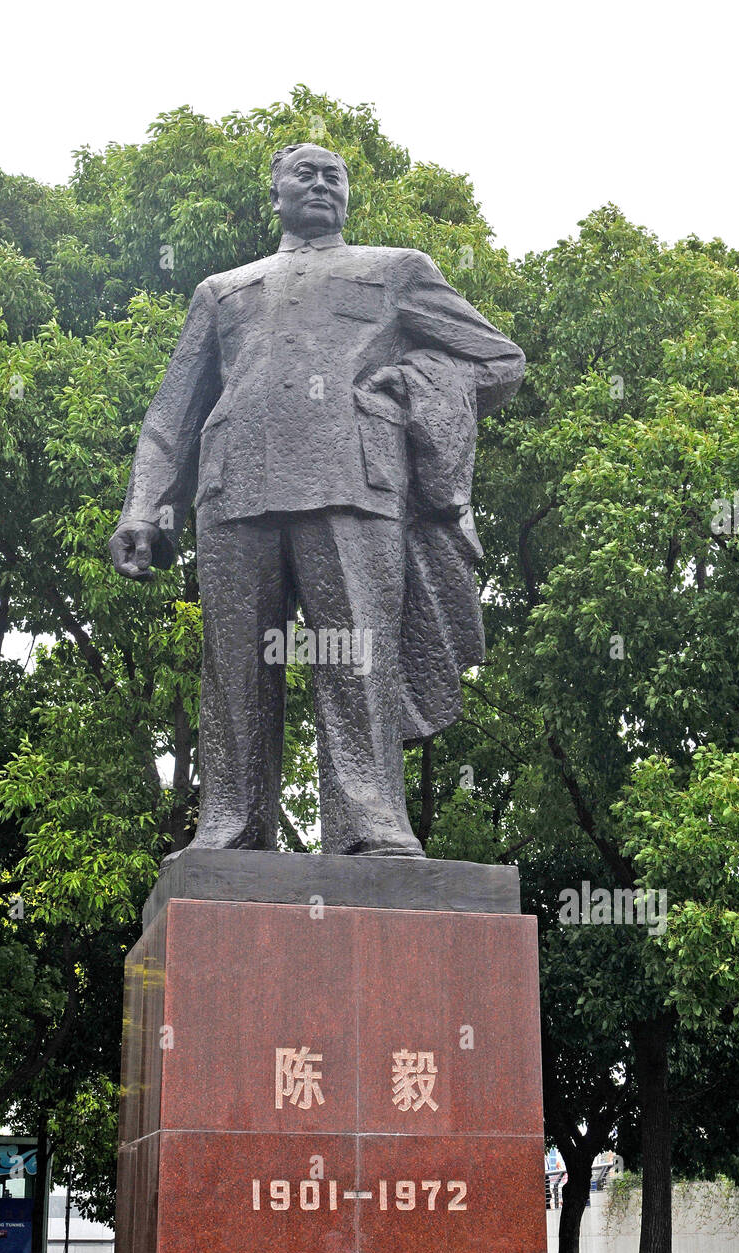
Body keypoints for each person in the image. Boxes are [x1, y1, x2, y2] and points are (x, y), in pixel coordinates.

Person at [109, 143, 524, 856]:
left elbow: (497, 359)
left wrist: (409, 380)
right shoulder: (221, 289)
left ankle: (368, 824)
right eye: (306, 173)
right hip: (234, 489)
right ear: (273, 195)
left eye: (336, 175)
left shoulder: (395, 270)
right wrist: (142, 506)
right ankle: (232, 826)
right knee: (234, 664)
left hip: (353, 486)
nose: (323, 183)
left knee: (356, 654)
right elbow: (171, 414)